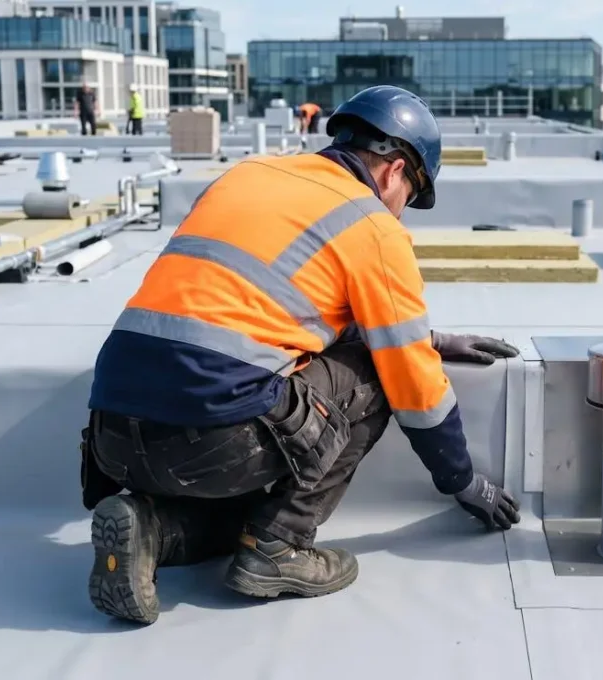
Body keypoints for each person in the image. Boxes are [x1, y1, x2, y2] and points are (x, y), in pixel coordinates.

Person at [79, 85, 522, 625]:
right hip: (212, 446)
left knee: (238, 472)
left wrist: (427, 337)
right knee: (378, 373)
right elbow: (415, 385)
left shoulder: (246, 175)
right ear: (393, 172)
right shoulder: (373, 225)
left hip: (112, 438)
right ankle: (279, 545)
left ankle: (152, 527)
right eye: (409, 197)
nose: (402, 213)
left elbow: (257, 301)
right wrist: (464, 483)